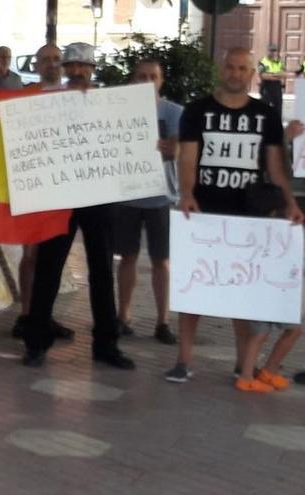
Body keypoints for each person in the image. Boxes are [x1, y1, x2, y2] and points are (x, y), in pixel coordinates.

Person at [167, 47, 303, 391]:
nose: (236, 73)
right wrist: (187, 193)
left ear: (252, 73)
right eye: (231, 66)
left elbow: (275, 165)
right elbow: (187, 158)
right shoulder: (198, 110)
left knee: (244, 291)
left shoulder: (266, 115)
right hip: (204, 211)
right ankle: (184, 361)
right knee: (192, 288)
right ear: (221, 69)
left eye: (243, 68)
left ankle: (244, 365)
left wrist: (289, 202)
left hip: (250, 214)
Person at [20, 42, 135, 370]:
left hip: (99, 195)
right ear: (66, 70)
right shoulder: (46, 100)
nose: (77, 71)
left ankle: (106, 344)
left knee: (102, 270)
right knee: (48, 268)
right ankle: (36, 342)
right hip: (60, 196)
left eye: (83, 66)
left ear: (92, 69)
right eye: (72, 66)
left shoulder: (109, 102)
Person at [114, 59, 182, 346]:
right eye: (141, 76)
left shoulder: (175, 112)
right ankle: (123, 316)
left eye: (152, 77)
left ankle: (162, 321)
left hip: (161, 197)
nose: (146, 81)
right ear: (132, 80)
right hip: (127, 196)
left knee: (161, 262)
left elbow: (181, 149)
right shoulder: (117, 110)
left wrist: (173, 148)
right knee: (127, 257)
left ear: (161, 81)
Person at [10, 43, 74, 342]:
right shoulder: (24, 97)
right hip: (32, 184)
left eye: (57, 59)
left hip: (64, 188)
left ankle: (44, 315)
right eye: (46, 59)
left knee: (55, 258)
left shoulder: (74, 98)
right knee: (32, 253)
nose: (51, 64)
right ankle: (27, 314)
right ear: (36, 65)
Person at [258, 43, 286, 114]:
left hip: (277, 87)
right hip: (266, 87)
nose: (273, 52)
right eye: (271, 50)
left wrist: (271, 75)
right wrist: (276, 75)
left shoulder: (279, 62)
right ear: (267, 51)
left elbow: (283, 74)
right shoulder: (262, 61)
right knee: (264, 109)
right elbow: (263, 75)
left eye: (275, 50)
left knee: (278, 110)